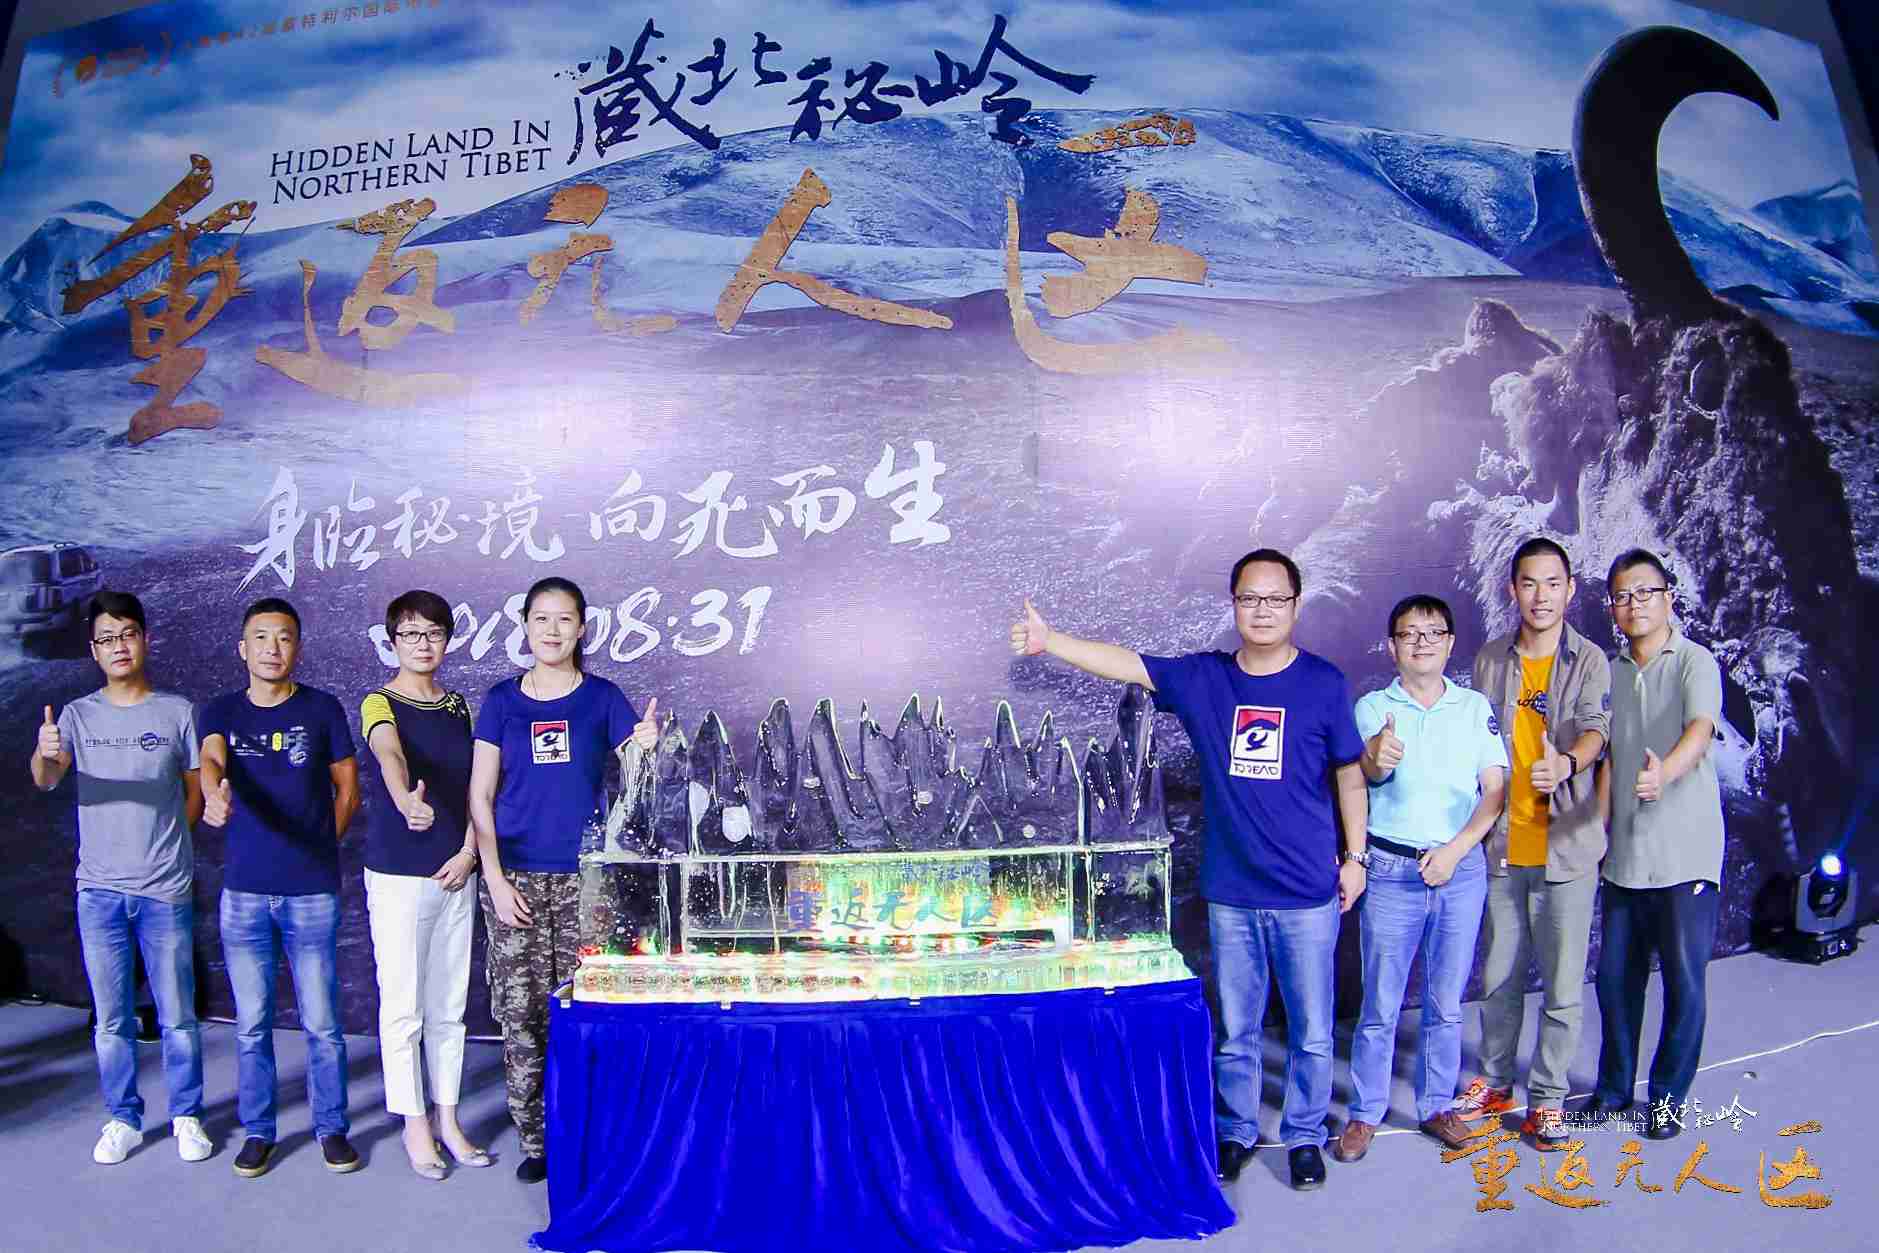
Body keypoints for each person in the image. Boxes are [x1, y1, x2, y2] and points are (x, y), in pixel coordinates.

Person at [1011, 548, 1367, 1192]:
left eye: (1275, 599)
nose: (1262, 610)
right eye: (1250, 598)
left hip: (1307, 892)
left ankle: (1305, 1136)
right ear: (1234, 605)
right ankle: (1236, 1132)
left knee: (1314, 1032)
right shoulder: (1206, 679)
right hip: (1232, 892)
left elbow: (1349, 775)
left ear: (1295, 605)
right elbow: (1129, 663)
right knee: (1236, 1030)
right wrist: (1050, 640)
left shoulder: (1323, 683)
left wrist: (1356, 858)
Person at [470, 577, 658, 1183]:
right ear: (526, 626)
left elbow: (640, 779)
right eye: (541, 619)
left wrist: (647, 745)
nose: (552, 630)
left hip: (586, 880)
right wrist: (494, 878)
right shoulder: (501, 701)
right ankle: (537, 1141)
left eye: (565, 619)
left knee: (585, 1008)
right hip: (515, 878)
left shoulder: (602, 697)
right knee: (521, 1015)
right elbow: (480, 794)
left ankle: (591, 1133)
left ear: (582, 628)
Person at [30, 591, 210, 1166]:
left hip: (164, 889)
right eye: (106, 639)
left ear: (144, 639)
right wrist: (44, 753)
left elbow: (195, 791)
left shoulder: (177, 712)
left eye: (127, 634)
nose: (118, 646)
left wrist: (169, 841)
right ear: (94, 650)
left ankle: (187, 1116)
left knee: (177, 1016)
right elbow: (47, 778)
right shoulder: (77, 716)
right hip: (99, 891)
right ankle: (123, 1119)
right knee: (112, 1020)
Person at [1333, 595, 1507, 1162]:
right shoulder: (1371, 708)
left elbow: (1495, 791)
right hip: (1391, 870)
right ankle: (1365, 1112)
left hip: (1460, 869)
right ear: (1392, 647)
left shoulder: (1473, 707)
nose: (1422, 642)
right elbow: (1362, 773)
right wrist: (1376, 758)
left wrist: (1456, 851)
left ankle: (1436, 1105)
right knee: (1381, 1003)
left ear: (1451, 643)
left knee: (1446, 1001)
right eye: (1410, 634)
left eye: (1434, 632)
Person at [199, 597, 361, 1178]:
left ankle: (332, 1127)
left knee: (322, 1023)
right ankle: (259, 1131)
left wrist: (321, 844)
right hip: (244, 892)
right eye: (262, 637)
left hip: (311, 890)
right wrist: (213, 792)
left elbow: (348, 788)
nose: (273, 648)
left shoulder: (321, 708)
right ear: (242, 649)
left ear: (298, 647)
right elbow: (211, 758)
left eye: (284, 637)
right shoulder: (220, 710)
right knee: (251, 1024)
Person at [1456, 537, 1609, 1150]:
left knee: (1563, 987)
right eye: (1528, 583)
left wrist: (1567, 763)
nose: (1540, 595)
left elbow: (1597, 730)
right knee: (1499, 979)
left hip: (1566, 847)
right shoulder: (1490, 659)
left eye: (1552, 583)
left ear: (1569, 590)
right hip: (1502, 844)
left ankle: (1547, 1099)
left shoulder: (1590, 659)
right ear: (1512, 589)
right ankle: (1494, 1082)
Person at [1591, 549, 1724, 1139]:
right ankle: (1613, 1091)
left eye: (1645, 592)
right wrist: (1596, 832)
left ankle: (1667, 1102)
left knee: (1684, 983)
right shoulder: (1610, 673)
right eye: (1622, 595)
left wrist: (1663, 774)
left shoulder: (1695, 661)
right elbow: (1608, 760)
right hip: (1625, 858)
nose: (1634, 604)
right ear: (1612, 608)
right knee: (1615, 984)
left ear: (1668, 597)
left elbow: (1700, 730)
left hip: (1685, 853)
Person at [359, 590, 487, 1179]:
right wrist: (404, 799)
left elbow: (476, 787)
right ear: (393, 642)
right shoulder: (378, 702)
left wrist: (468, 852)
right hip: (398, 876)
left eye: (433, 633)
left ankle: (449, 1119)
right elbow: (389, 753)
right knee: (404, 1009)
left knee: (449, 1008)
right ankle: (414, 1124)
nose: (422, 644)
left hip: (456, 870)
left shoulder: (460, 707)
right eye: (410, 634)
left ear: (447, 640)